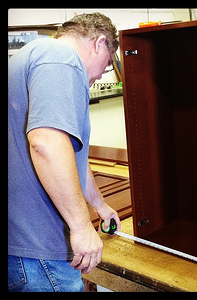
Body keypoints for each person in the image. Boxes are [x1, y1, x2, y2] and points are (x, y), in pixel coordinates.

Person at [8, 12, 121, 292]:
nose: (97, 77)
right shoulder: (62, 59)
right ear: (99, 43)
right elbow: (46, 144)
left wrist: (99, 205)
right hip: (40, 251)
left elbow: (68, 155)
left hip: (20, 246)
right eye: (106, 66)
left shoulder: (30, 56)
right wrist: (82, 227)